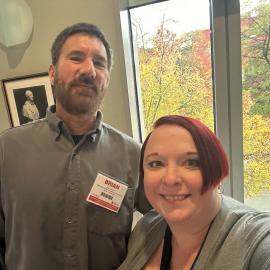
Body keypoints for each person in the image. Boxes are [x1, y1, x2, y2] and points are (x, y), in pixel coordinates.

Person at [0, 22, 151, 270]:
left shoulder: (133, 155)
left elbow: (171, 218)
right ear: (52, 72)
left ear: (107, 79)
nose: (89, 70)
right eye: (76, 58)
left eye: (100, 63)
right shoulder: (6, 150)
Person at [118, 115, 270, 270]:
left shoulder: (255, 240)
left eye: (191, 162)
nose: (170, 179)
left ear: (217, 169)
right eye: (156, 163)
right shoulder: (147, 227)